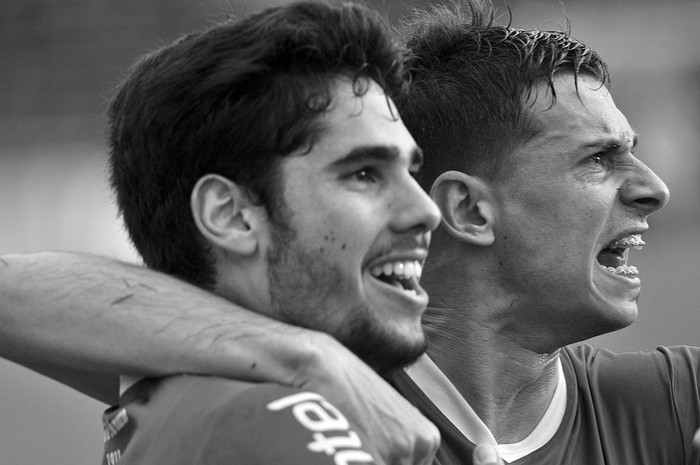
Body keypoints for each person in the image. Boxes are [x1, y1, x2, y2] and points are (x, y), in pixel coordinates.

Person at [1, 0, 694, 464]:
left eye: (406, 169)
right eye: (599, 159)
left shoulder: (667, 402)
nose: (653, 186)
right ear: (471, 210)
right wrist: (306, 360)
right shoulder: (268, 405)